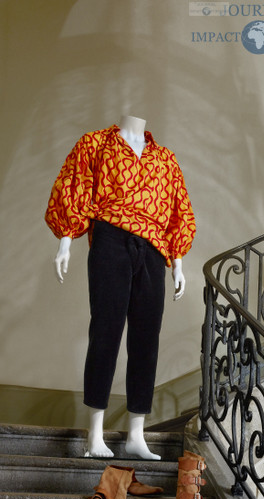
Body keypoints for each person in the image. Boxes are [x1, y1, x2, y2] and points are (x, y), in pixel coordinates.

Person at [45, 115, 195, 459]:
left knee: (146, 339)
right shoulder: (96, 143)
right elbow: (75, 185)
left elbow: (178, 209)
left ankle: (136, 435)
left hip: (153, 249)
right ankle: (95, 434)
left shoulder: (165, 158)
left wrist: (178, 264)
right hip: (110, 238)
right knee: (106, 331)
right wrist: (65, 241)